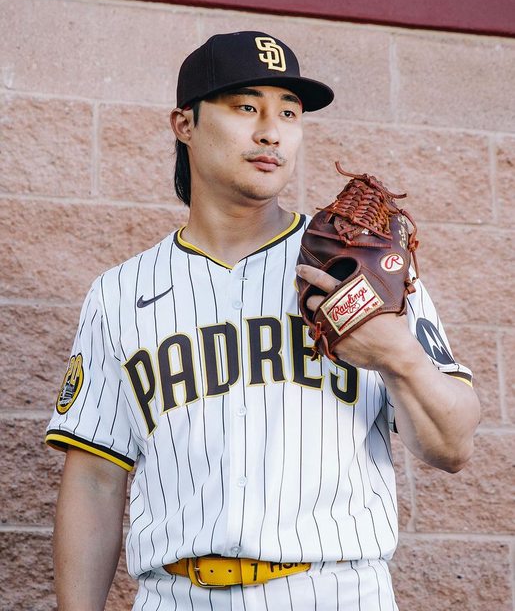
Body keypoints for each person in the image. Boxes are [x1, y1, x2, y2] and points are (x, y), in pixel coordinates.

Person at [46, 31, 480, 611]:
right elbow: (94, 481)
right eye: (246, 107)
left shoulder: (359, 266)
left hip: (334, 591)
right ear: (184, 124)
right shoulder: (119, 293)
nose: (272, 131)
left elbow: (454, 445)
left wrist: (396, 355)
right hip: (175, 597)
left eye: (289, 113)